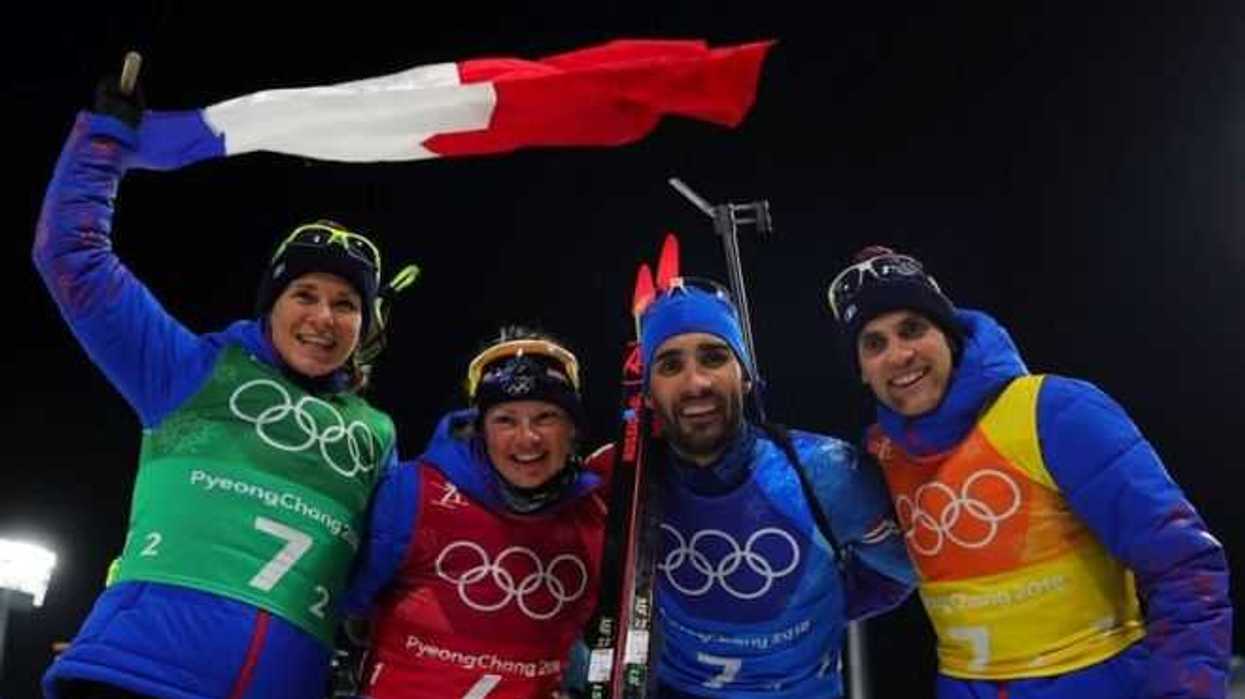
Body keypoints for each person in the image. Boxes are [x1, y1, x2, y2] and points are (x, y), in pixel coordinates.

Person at [34, 77, 411, 698]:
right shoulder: (190, 371)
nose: (323, 317)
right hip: (134, 679)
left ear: (365, 328)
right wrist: (100, 147)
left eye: (346, 304)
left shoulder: (375, 433)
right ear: (271, 306)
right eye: (305, 295)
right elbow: (71, 257)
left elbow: (386, 559)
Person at [826, 246, 1233, 698]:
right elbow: (892, 571)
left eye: (913, 329)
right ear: (861, 369)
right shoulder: (882, 453)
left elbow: (1183, 565)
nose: (899, 355)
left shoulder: (1053, 411)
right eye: (874, 343)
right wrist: (780, 612)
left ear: (949, 335)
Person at [633, 276, 915, 697]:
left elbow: (900, 573)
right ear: (649, 394)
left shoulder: (827, 472)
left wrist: (823, 607)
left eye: (713, 357)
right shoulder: (627, 479)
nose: (696, 383)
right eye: (670, 365)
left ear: (745, 375)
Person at [344, 327, 609, 698]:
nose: (527, 438)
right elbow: (354, 604)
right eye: (506, 419)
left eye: (546, 417)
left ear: (573, 428)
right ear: (480, 427)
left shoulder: (595, 511)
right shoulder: (415, 490)